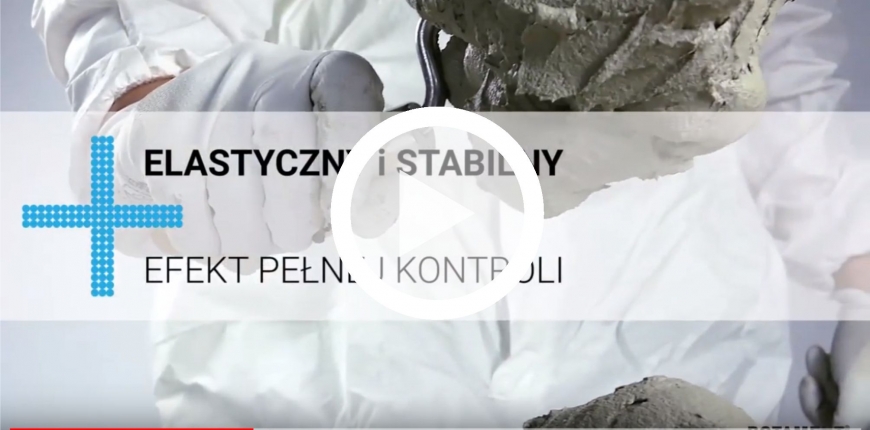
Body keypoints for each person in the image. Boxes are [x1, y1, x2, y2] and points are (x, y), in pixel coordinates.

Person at [31, 0, 868, 427]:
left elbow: (768, 45)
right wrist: (160, 124)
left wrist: (861, 273)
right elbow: (132, 63)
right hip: (325, 383)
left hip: (681, 337)